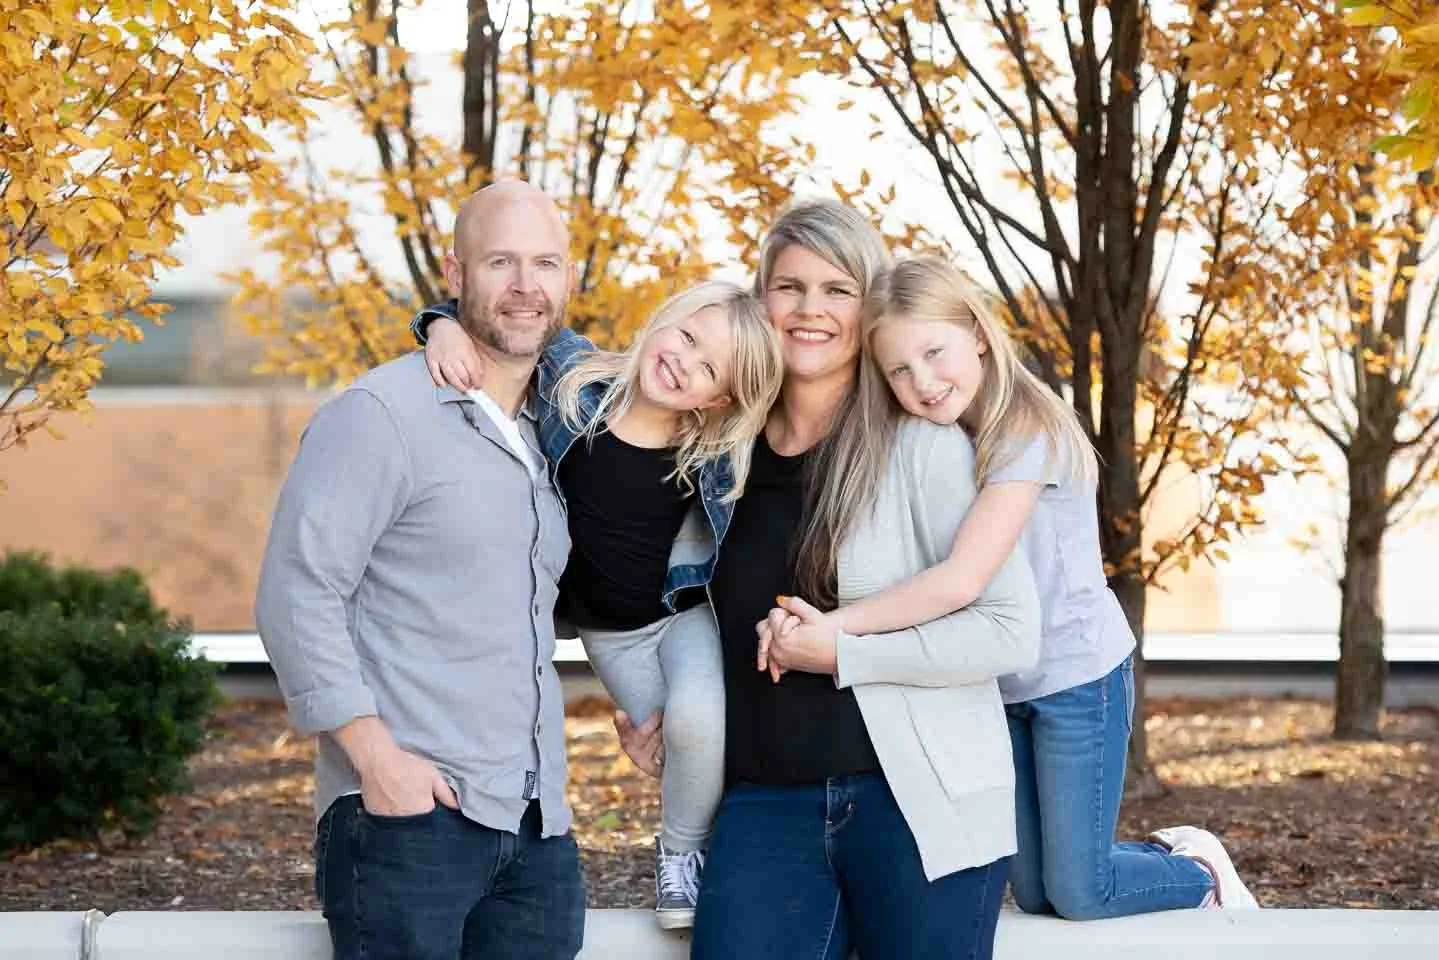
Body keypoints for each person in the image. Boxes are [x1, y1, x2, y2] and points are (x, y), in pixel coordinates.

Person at [771, 254, 1258, 917]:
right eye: (900, 371)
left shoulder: (1024, 429)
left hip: (1076, 679)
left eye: (935, 352)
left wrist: (839, 628)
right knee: (1033, 892)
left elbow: (961, 579)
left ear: (976, 331)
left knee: (1082, 892)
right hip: (1002, 688)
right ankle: (1157, 861)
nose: (925, 381)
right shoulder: (942, 438)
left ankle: (1198, 871)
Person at [626, 198, 1043, 960]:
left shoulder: (922, 444)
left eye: (836, 289)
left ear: (869, 307)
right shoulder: (718, 452)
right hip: (762, 803)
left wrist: (843, 654)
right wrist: (654, 704)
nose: (809, 310)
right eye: (789, 287)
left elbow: (1010, 631)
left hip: (919, 801)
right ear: (762, 301)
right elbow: (655, 589)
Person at [255, 181, 586, 960]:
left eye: (546, 263)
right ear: (456, 271)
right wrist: (378, 762)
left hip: (537, 831)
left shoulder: (564, 424)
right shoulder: (382, 414)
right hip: (409, 819)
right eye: (501, 262)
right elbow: (297, 592)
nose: (525, 287)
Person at [411, 280, 784, 929]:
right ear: (664, 319)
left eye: (707, 368)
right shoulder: (576, 383)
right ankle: (733, 860)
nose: (682, 361)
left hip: (678, 615)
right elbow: (511, 318)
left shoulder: (710, 455)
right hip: (609, 636)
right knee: (674, 752)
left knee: (700, 721)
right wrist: (441, 327)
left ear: (718, 398)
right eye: (687, 337)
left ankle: (682, 856)